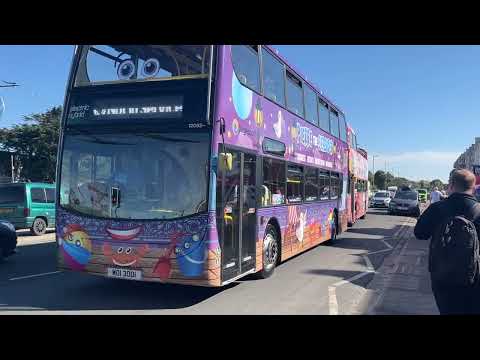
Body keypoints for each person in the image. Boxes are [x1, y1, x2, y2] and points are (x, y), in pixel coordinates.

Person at [414, 169, 480, 314]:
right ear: (474, 188)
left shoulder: (437, 208)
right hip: (475, 278)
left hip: (443, 277)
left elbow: (419, 233)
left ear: (451, 185)